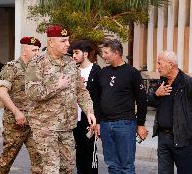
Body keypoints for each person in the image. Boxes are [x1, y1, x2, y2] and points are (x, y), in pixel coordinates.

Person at [25, 25, 97, 174]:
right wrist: (57, 86)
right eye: (63, 41)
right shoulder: (37, 63)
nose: (68, 44)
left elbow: (80, 91)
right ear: (51, 42)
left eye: (68, 40)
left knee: (68, 168)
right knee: (51, 169)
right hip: (45, 127)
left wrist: (89, 110)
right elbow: (32, 92)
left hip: (66, 126)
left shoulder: (70, 62)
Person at [95, 39, 148, 174]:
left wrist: (141, 124)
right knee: (112, 164)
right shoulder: (103, 72)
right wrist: (99, 122)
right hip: (106, 125)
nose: (103, 55)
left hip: (125, 124)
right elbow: (98, 99)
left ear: (116, 53)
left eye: (106, 53)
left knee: (126, 165)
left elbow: (142, 100)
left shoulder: (132, 72)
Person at [0, 37, 42, 174]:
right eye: (34, 50)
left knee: (39, 158)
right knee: (7, 158)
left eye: (38, 50)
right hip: (15, 122)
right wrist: (17, 113)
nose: (37, 53)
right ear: (25, 51)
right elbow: (2, 93)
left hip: (34, 122)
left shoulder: (37, 69)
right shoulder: (11, 68)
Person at [149, 50, 192, 174]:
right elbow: (149, 101)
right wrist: (156, 95)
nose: (157, 67)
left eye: (159, 63)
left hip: (183, 140)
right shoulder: (161, 82)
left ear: (171, 64)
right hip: (163, 138)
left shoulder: (187, 83)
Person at [71, 39, 101, 174]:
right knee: (78, 156)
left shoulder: (97, 71)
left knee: (90, 156)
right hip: (73, 120)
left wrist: (98, 121)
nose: (74, 56)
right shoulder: (72, 71)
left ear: (86, 54)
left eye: (76, 53)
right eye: (72, 53)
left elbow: (100, 99)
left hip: (89, 121)